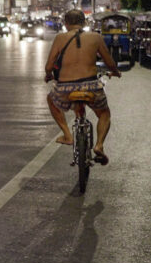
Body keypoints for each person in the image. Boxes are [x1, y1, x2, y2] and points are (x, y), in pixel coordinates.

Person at [44, 9, 121, 165]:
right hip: (91, 86)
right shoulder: (96, 37)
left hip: (65, 88)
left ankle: (67, 135)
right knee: (104, 114)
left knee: (51, 99)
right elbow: (109, 62)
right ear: (84, 23)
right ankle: (99, 145)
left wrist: (49, 75)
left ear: (65, 24)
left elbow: (49, 66)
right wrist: (115, 72)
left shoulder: (60, 38)